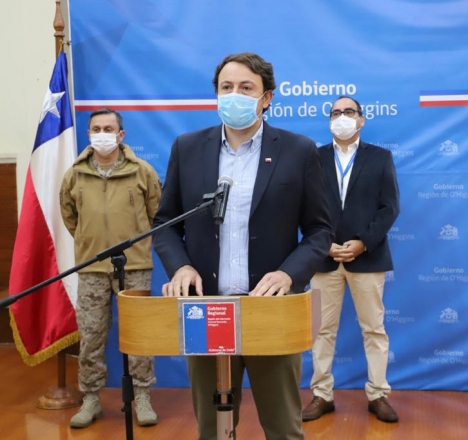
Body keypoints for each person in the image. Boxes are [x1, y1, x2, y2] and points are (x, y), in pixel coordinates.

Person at [152, 52, 333, 440]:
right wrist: (181, 266)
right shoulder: (187, 148)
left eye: (246, 88)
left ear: (266, 98)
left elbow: (320, 231)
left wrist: (288, 274)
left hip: (270, 311)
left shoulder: (299, 150)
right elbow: (165, 225)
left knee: (284, 430)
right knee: (213, 430)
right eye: (226, 87)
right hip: (207, 309)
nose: (234, 95)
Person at [60, 108, 161, 428]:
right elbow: (70, 217)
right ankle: (91, 398)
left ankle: (142, 395)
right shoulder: (75, 174)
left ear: (121, 135)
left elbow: (156, 213)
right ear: (88, 134)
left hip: (134, 266)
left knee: (139, 334)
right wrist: (90, 243)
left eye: (108, 128)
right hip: (91, 267)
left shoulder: (142, 171)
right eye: (96, 129)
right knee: (91, 335)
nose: (102, 134)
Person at [301, 96, 400, 423]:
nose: (341, 117)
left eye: (348, 112)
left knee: (374, 329)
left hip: (367, 258)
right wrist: (324, 244)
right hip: (324, 258)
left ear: (361, 119)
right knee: (321, 330)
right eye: (335, 113)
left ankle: (378, 394)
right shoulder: (314, 157)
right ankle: (322, 394)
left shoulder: (380, 157)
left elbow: (390, 207)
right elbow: (303, 208)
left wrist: (363, 243)